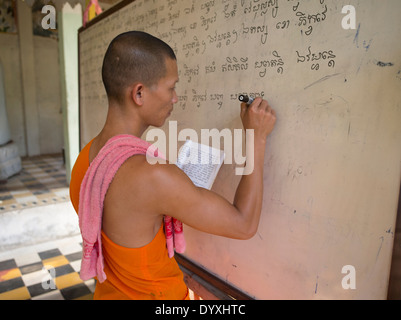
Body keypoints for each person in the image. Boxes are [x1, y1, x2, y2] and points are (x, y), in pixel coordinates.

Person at [69, 31, 276, 300]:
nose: (175, 98)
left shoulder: (86, 160)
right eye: (171, 87)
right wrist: (256, 137)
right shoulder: (153, 176)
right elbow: (244, 224)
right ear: (139, 93)